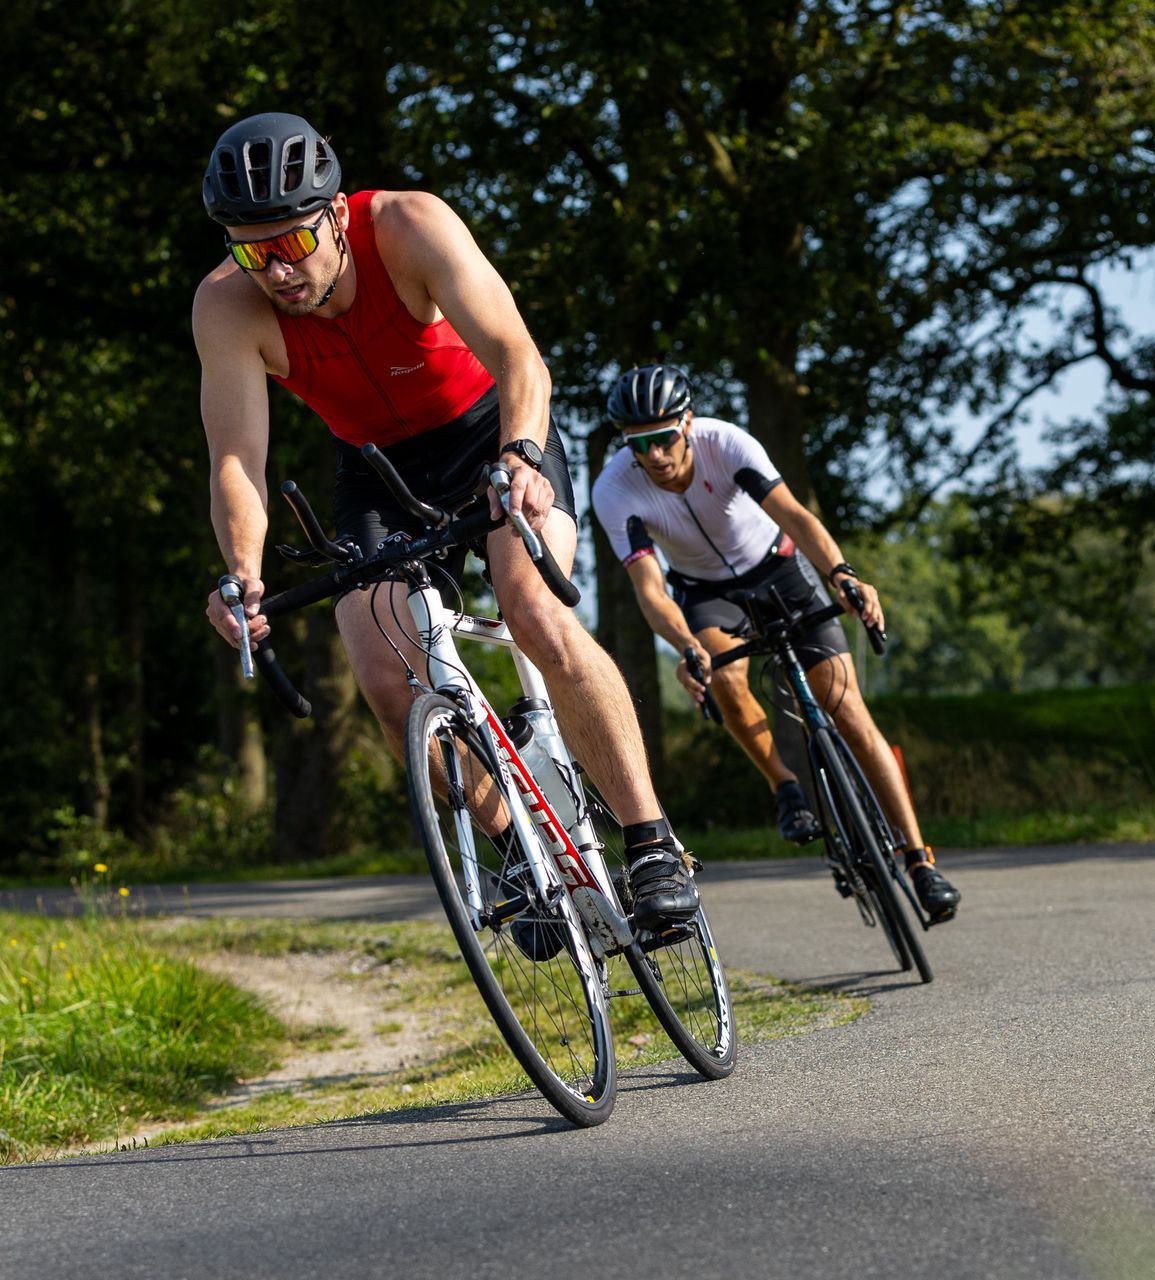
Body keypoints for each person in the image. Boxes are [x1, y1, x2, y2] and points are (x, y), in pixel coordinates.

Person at [193, 112, 697, 931]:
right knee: (387, 677)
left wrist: (524, 456)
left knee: (533, 609)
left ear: (336, 217)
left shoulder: (409, 226)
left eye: (290, 244)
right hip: (378, 470)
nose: (275, 272)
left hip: (491, 431)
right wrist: (242, 575)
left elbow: (518, 357)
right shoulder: (225, 305)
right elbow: (235, 462)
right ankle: (522, 861)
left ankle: (651, 842)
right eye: (252, 250)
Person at [588, 365, 961, 923]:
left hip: (780, 570)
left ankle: (919, 861)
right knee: (724, 673)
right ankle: (784, 785)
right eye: (639, 444)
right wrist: (687, 645)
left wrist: (842, 574)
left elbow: (795, 515)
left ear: (687, 424)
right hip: (709, 594)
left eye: (665, 438)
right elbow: (650, 589)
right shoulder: (615, 488)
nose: (656, 455)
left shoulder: (727, 443)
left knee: (848, 711)